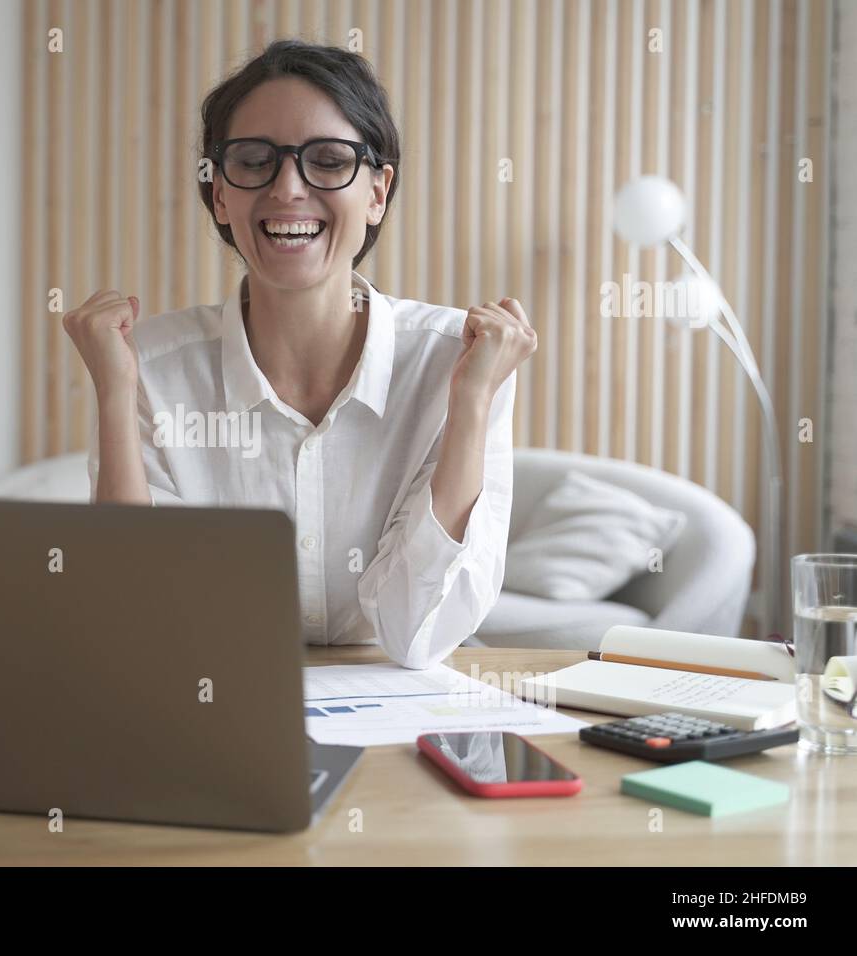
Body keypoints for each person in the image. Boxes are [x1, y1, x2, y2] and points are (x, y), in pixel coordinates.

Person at [63, 39, 536, 669]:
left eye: (329, 160)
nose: (288, 188)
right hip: (221, 701)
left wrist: (472, 402)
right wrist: (116, 394)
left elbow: (415, 635)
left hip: (401, 706)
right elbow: (138, 621)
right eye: (254, 160)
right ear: (220, 195)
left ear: (377, 192)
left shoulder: (462, 361)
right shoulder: (147, 364)